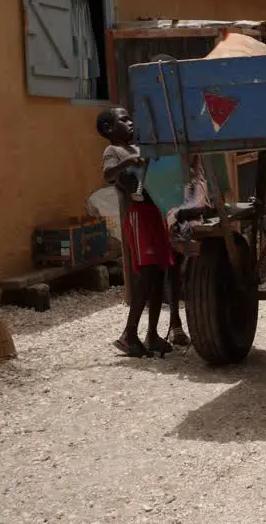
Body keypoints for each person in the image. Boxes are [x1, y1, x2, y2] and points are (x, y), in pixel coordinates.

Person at [97, 106, 174, 358]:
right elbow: (108, 174)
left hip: (155, 213)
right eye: (124, 120)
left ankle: (152, 334)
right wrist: (128, 162)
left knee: (159, 273)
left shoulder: (138, 148)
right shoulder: (114, 151)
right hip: (138, 215)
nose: (131, 123)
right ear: (109, 129)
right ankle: (129, 333)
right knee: (145, 275)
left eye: (131, 119)